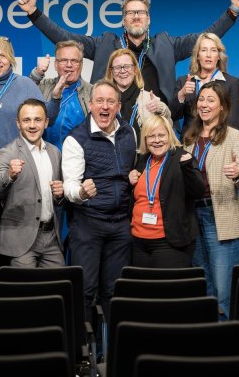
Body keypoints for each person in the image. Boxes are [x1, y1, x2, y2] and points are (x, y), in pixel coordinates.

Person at [17, 0, 239, 104]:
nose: (136, 16)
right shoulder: (105, 44)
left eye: (141, 12)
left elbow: (205, 39)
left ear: (148, 19)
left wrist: (233, 12)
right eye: (130, 13)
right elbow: (63, 38)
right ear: (123, 20)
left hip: (156, 123)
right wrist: (34, 13)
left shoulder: (167, 44)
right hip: (112, 120)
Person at [62, 80, 137, 321]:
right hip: (88, 224)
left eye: (110, 102)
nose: (105, 107)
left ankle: (113, 352)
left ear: (118, 106)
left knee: (116, 292)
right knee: (84, 291)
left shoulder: (129, 132)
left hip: (120, 225)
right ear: (91, 105)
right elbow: (70, 186)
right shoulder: (76, 138)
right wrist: (82, 193)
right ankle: (82, 352)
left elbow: (131, 171)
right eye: (100, 101)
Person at [182, 82, 239, 319]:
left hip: (219, 214)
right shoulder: (189, 138)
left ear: (222, 106)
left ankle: (224, 346)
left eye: (211, 100)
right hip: (193, 216)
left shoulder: (235, 136)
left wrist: (238, 173)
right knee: (203, 285)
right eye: (201, 99)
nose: (204, 104)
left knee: (222, 290)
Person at [0, 99, 65, 268]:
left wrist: (59, 195)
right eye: (26, 120)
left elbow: (56, 197)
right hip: (19, 240)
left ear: (46, 123)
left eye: (37, 120)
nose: (32, 125)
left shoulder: (55, 153)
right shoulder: (7, 153)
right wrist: (9, 176)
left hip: (51, 238)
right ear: (18, 123)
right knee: (25, 291)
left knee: (59, 290)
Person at [128, 115, 205, 268]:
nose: (157, 140)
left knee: (166, 291)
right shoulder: (142, 161)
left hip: (169, 243)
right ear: (145, 139)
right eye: (151, 136)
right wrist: (131, 181)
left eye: (161, 135)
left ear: (170, 136)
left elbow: (198, 191)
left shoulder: (182, 158)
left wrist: (188, 169)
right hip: (138, 242)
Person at [171, 32, 239, 136]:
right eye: (204, 50)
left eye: (213, 50)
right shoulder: (184, 81)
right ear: (198, 55)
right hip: (189, 145)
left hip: (219, 144)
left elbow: (233, 123)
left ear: (218, 56)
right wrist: (181, 94)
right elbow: (172, 115)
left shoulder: (232, 83)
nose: (208, 55)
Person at [28, 40, 92, 150]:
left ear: (81, 65)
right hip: (45, 159)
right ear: (55, 65)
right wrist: (37, 74)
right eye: (63, 60)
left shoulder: (92, 92)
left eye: (74, 61)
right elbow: (24, 94)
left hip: (80, 162)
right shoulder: (42, 86)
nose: (69, 65)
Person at [104, 49, 171, 138]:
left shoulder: (149, 98)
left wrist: (160, 108)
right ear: (111, 72)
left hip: (142, 151)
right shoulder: (103, 100)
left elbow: (169, 126)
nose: (123, 71)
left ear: (135, 69)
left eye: (127, 66)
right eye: (117, 67)